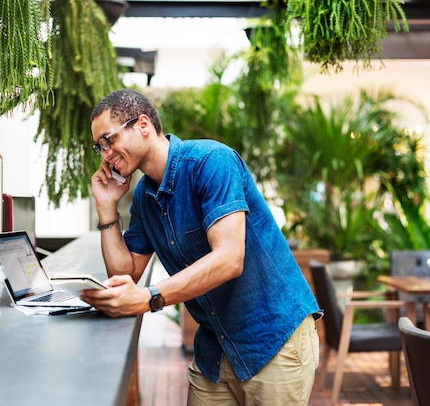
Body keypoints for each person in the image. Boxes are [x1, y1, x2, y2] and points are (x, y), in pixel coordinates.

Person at [83, 88, 322, 405]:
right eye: (99, 147)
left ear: (142, 125)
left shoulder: (212, 162)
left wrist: (150, 298)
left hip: (273, 339)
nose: (105, 154)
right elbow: (125, 272)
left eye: (108, 140)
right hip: (214, 347)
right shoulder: (143, 197)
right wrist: (106, 206)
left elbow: (229, 259)